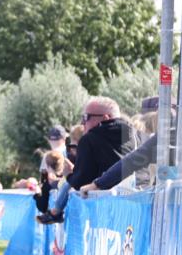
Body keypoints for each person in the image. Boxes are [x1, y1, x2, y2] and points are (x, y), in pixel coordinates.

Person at [38, 96, 135, 224]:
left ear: (106, 118)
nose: (83, 123)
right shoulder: (133, 135)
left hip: (101, 210)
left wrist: (69, 174)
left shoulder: (89, 139)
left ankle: (55, 212)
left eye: (86, 117)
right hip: (132, 206)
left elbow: (81, 182)